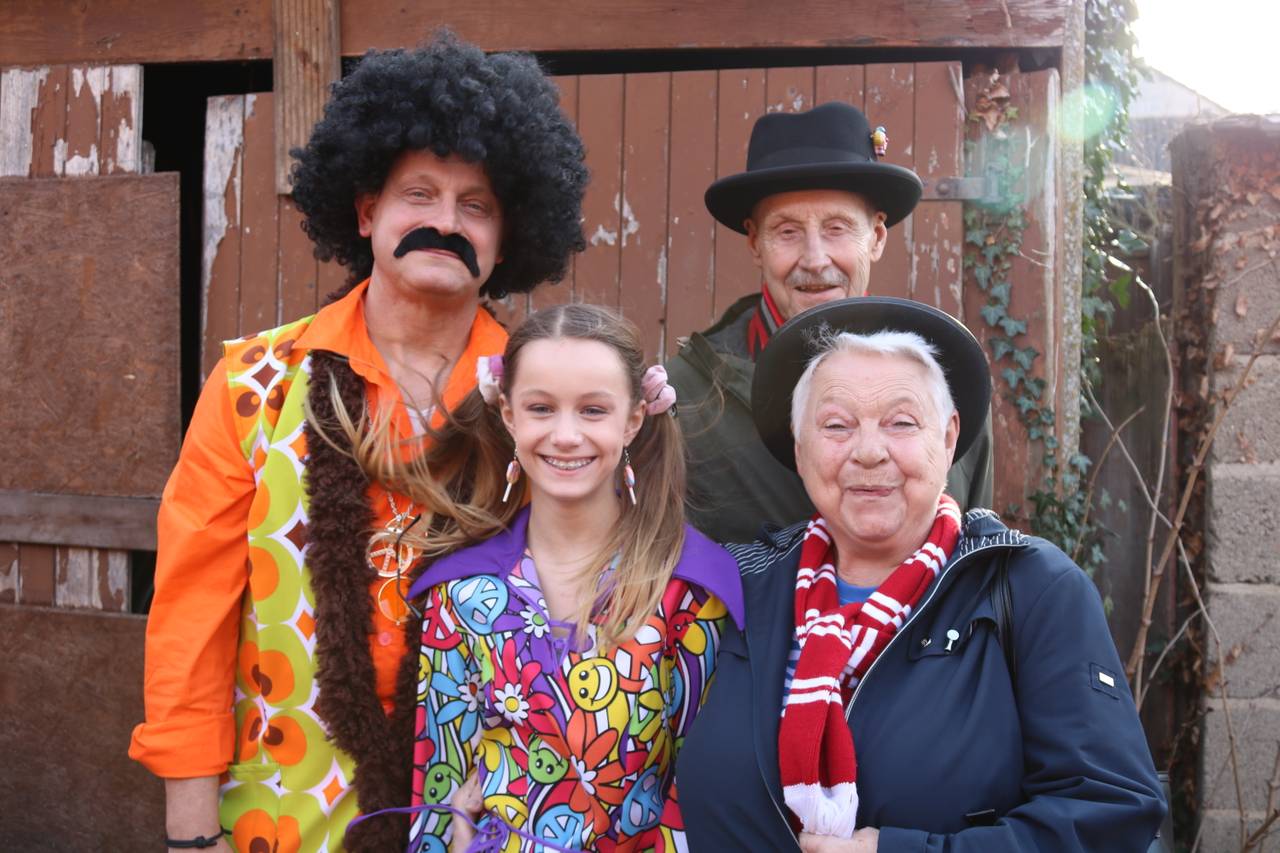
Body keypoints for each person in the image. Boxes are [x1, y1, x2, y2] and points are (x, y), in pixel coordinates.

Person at [128, 34, 589, 852]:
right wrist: (190, 834)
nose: (445, 222)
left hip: (495, 817)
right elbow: (191, 620)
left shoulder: (553, 401)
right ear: (368, 211)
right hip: (279, 816)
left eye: (476, 205)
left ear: (507, 237)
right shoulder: (252, 384)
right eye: (420, 194)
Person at [676, 297, 1166, 851]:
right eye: (836, 425)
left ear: (949, 437)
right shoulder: (737, 589)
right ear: (800, 444)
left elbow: (1110, 813)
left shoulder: (1031, 590)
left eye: (901, 423)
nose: (868, 452)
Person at [321, 303, 742, 851]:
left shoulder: (689, 590)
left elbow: (703, 797)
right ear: (509, 415)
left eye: (593, 410)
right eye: (541, 408)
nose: (565, 435)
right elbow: (439, 788)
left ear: (633, 420)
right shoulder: (462, 595)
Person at [666, 102, 993, 543]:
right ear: (755, 242)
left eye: (837, 228)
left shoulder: (950, 377)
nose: (815, 259)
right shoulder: (686, 397)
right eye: (787, 231)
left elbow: (976, 553)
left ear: (876, 237)